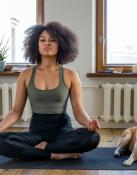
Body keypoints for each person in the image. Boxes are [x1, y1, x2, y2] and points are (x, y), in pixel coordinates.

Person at [0, 21, 100, 160]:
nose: (47, 43)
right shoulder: (25, 75)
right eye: (42, 40)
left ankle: (42, 150)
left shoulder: (70, 75)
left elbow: (79, 111)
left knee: (93, 137)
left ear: (61, 45)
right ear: (37, 44)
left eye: (52, 40)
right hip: (36, 133)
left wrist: (89, 123)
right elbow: (16, 112)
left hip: (62, 133)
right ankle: (55, 154)